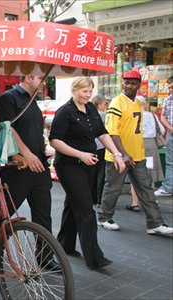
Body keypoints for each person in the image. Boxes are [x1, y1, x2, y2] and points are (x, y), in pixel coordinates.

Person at [0, 75, 60, 271]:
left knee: (43, 214)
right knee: (6, 209)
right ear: (27, 77)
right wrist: (25, 154)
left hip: (39, 166)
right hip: (18, 167)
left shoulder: (33, 101)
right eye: (40, 78)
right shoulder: (10, 97)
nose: (44, 82)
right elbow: (7, 129)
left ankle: (45, 256)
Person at [49, 77, 125, 270]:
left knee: (73, 203)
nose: (87, 95)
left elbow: (102, 133)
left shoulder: (91, 108)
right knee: (86, 209)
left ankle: (65, 243)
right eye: (84, 91)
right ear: (74, 90)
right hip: (68, 165)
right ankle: (94, 257)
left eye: (90, 91)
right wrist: (80, 154)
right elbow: (54, 141)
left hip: (88, 163)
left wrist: (116, 154)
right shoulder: (65, 112)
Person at [97, 70, 173, 235]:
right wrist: (122, 154)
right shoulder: (117, 102)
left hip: (137, 156)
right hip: (119, 156)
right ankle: (104, 218)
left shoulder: (137, 103)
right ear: (122, 83)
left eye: (133, 83)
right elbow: (112, 131)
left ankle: (155, 223)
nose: (129, 86)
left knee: (145, 189)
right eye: (127, 82)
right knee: (113, 188)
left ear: (139, 84)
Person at [128, 96, 165, 211]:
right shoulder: (152, 115)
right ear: (144, 105)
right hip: (150, 145)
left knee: (135, 174)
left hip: (136, 145)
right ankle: (151, 200)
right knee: (150, 174)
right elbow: (162, 131)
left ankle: (135, 203)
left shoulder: (131, 115)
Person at [155, 76, 173, 197]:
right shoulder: (168, 100)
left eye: (172, 87)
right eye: (169, 87)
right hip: (171, 134)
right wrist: (170, 128)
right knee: (170, 161)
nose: (170, 89)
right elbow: (163, 117)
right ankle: (168, 187)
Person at [91, 94, 108, 207]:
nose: (106, 106)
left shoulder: (90, 114)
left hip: (91, 146)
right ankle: (98, 198)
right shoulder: (104, 115)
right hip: (101, 146)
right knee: (101, 173)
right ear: (99, 104)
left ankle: (92, 197)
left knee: (92, 172)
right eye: (105, 104)